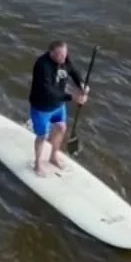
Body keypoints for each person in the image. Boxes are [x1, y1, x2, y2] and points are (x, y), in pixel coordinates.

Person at [29, 42, 89, 177]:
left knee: (61, 128)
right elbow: (48, 90)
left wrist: (82, 85)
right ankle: (37, 164)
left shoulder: (64, 59)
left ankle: (53, 156)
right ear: (51, 53)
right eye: (59, 55)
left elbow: (73, 71)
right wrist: (72, 97)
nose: (63, 57)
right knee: (42, 135)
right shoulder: (42, 65)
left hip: (58, 105)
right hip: (42, 107)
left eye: (65, 53)